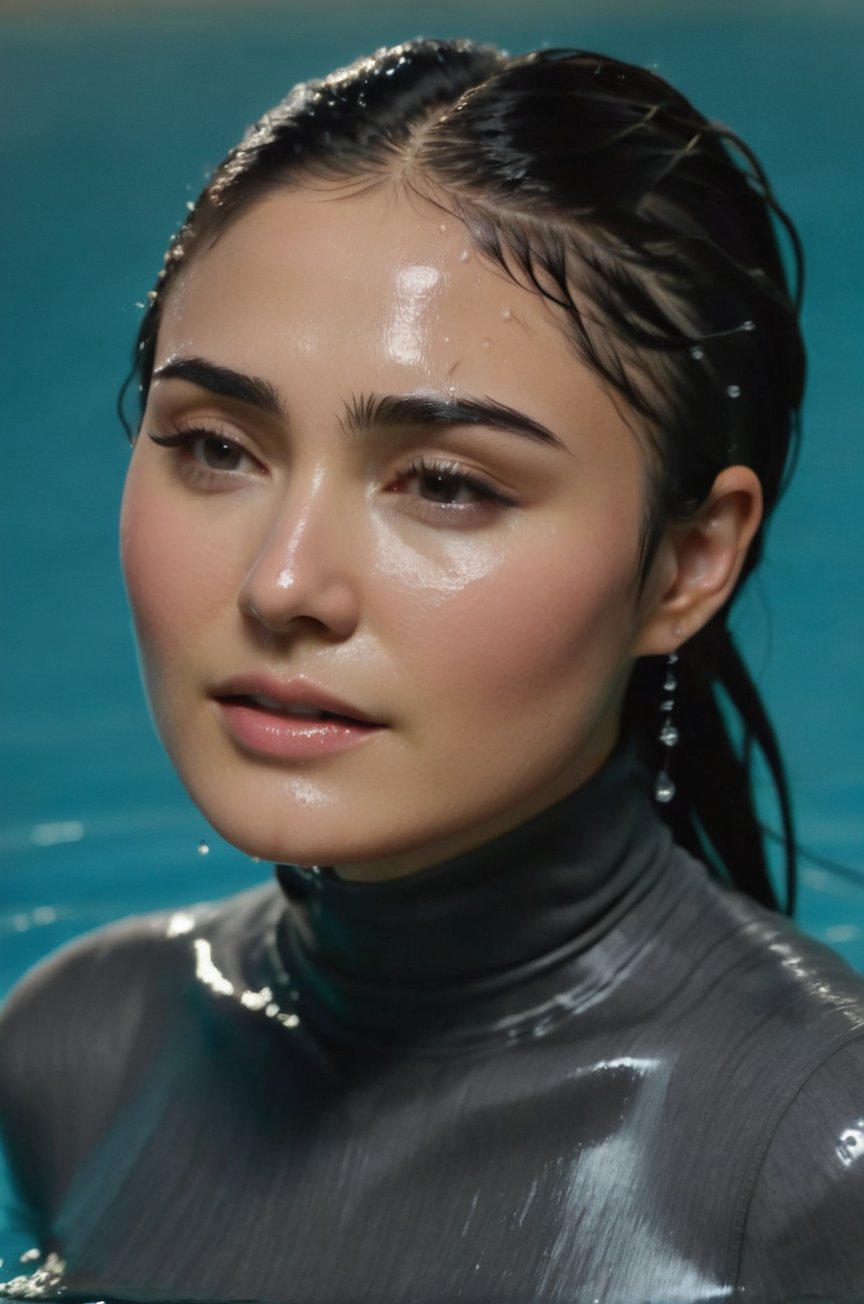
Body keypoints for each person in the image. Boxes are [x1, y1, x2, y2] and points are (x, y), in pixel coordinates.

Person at [1, 36, 863, 1304]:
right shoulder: (78, 1051)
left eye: (447, 484)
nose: (283, 584)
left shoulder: (812, 1167)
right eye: (216, 446)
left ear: (686, 562)